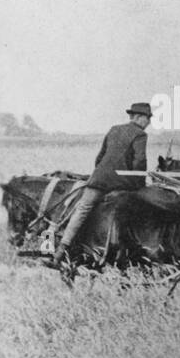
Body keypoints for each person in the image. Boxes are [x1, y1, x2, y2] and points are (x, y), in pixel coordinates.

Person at [51, 102, 153, 270]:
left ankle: (60, 251)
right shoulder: (140, 134)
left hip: (98, 179)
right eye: (147, 118)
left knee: (82, 209)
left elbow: (99, 158)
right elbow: (140, 161)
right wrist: (139, 184)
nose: (148, 122)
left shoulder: (114, 129)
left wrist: (101, 174)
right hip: (122, 182)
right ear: (138, 117)